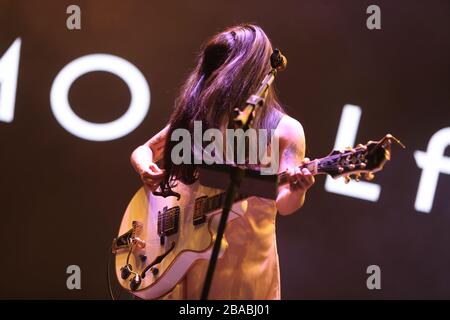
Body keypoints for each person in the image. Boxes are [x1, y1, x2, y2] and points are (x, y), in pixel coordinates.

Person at [130, 24, 315, 299]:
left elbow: (284, 203)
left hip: (244, 262)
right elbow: (145, 150)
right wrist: (146, 168)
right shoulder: (200, 118)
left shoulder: (284, 129)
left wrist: (298, 190)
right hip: (181, 252)